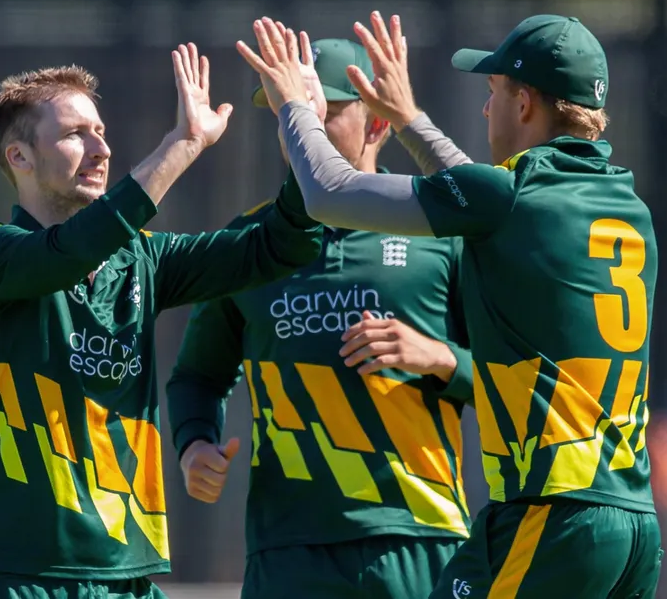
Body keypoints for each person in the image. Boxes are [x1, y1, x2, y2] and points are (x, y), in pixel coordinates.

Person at [237, 12, 663, 598]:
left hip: (554, 514)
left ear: (525, 104)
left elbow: (327, 191)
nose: (487, 110)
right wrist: (410, 120)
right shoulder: (625, 205)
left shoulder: (509, 198)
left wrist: (296, 107)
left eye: (494, 93)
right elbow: (484, 198)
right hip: (634, 521)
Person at [0, 44, 323, 599]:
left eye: (101, 131)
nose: (100, 149)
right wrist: (182, 144)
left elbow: (278, 247)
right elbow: (74, 249)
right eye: (75, 134)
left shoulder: (142, 259)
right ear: (20, 158)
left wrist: (303, 135)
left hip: (126, 574)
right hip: (18, 575)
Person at [166, 36, 475, 599]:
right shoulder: (247, 242)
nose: (299, 128)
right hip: (286, 550)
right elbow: (197, 378)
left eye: (324, 114)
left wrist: (439, 356)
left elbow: (517, 376)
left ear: (378, 126)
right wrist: (194, 446)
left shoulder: (439, 231)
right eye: (291, 113)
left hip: (414, 536)